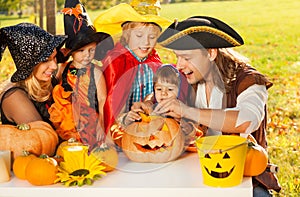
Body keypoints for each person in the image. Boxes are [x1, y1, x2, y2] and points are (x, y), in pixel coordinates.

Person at [154, 16, 281, 196]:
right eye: (177, 57)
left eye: (186, 57)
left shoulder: (248, 81)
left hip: (244, 175)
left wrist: (187, 111)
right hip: (200, 170)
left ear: (211, 53)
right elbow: (163, 91)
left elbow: (246, 120)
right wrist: (147, 104)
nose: (179, 65)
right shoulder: (191, 79)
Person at [93, 0, 172, 135]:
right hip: (124, 128)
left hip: (150, 125)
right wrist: (124, 118)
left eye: (152, 37)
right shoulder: (116, 61)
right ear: (127, 34)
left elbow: (159, 91)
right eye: (139, 35)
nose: (146, 42)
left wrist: (150, 101)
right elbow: (111, 102)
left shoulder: (154, 60)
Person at [48, 0, 114, 150]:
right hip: (66, 119)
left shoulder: (96, 72)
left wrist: (101, 124)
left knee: (88, 147)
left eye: (91, 50)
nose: (87, 56)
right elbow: (54, 87)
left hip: (88, 120)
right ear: (71, 52)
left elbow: (103, 100)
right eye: (81, 51)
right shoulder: (64, 68)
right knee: (66, 147)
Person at [117, 64, 198, 150]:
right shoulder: (149, 110)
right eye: (159, 89)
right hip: (147, 149)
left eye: (170, 89)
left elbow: (196, 135)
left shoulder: (181, 112)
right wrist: (127, 120)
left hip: (174, 152)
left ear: (179, 92)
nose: (163, 93)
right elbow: (132, 130)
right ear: (154, 89)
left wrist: (188, 129)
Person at [0, 23, 67, 126]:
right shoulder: (14, 98)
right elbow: (43, 137)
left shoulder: (49, 83)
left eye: (54, 57)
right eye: (45, 60)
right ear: (29, 66)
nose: (54, 66)